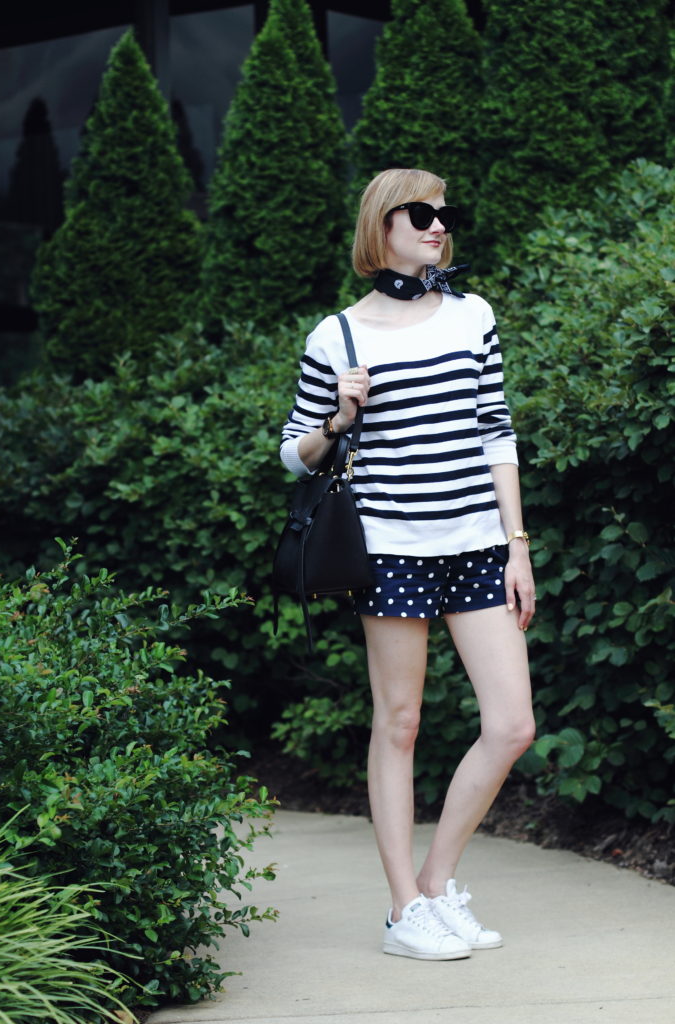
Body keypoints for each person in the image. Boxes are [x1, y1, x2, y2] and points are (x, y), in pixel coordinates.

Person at [280, 168, 536, 961]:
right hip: (389, 548)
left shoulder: (472, 316)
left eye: (441, 213)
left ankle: (434, 884)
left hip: (475, 543)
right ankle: (401, 911)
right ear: (379, 226)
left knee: (511, 724)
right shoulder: (337, 336)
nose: (435, 225)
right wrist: (337, 415)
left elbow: (497, 432)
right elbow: (295, 454)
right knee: (400, 724)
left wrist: (516, 545)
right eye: (418, 213)